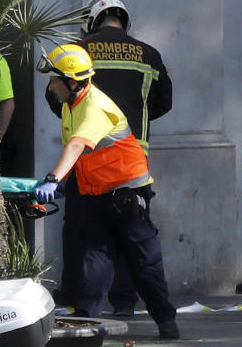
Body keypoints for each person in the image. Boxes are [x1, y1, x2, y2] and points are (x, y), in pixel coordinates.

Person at [35, 44, 179, 340]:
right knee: (93, 263)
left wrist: (53, 178)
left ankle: (166, 320)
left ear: (73, 82)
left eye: (53, 80)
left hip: (127, 194)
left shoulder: (95, 106)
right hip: (97, 194)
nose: (50, 87)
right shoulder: (70, 106)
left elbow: (76, 145)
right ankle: (87, 329)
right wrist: (63, 181)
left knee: (143, 262)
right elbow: (76, 152)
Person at [46, 0, 172, 315]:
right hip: (132, 163)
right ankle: (125, 303)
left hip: (87, 162)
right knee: (132, 241)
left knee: (85, 235)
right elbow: (163, 103)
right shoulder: (150, 54)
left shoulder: (79, 51)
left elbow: (54, 98)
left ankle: (77, 300)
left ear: (92, 20)